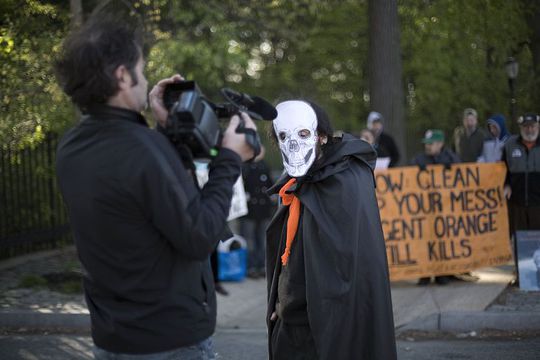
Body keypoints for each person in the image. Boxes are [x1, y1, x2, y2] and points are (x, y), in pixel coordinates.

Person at [54, 18, 257, 358]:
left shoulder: (72, 146)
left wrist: (166, 132)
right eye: (141, 69)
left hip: (112, 336)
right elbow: (200, 236)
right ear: (122, 75)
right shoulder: (143, 150)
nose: (146, 79)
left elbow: (139, 196)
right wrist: (230, 158)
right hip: (170, 340)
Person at [266, 100, 397, 360]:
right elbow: (294, 254)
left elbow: (339, 268)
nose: (293, 144)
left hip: (324, 325)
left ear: (321, 136)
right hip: (295, 323)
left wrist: (287, 307)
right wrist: (279, 303)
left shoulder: (345, 179)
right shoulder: (303, 180)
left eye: (303, 134)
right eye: (283, 136)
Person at [411, 129, 460, 285]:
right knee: (425, 240)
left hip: (444, 209)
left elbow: (462, 175)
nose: (428, 147)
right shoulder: (419, 159)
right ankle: (425, 273)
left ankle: (442, 273)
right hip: (424, 209)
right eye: (426, 144)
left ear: (441, 144)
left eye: (431, 144)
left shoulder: (451, 158)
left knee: (442, 239)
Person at [239, 146, 275, 278]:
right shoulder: (245, 167)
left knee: (263, 239)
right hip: (249, 210)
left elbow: (271, 185)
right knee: (250, 240)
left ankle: (262, 266)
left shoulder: (265, 166)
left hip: (264, 209)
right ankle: (251, 267)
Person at [502, 113, 540, 233]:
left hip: (538, 202)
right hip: (516, 202)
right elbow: (503, 168)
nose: (529, 130)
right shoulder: (510, 144)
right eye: (526, 126)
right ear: (521, 128)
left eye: (532, 126)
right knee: (519, 238)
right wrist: (506, 184)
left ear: (538, 127)